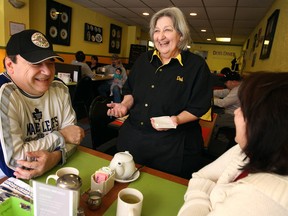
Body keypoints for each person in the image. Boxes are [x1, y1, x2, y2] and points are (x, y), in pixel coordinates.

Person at [107, 7, 212, 179]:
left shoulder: (196, 66)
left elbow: (199, 106)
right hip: (133, 142)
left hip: (172, 148)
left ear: (181, 34)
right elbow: (130, 90)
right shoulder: (143, 60)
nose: (160, 36)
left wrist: (176, 120)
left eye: (167, 30)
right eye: (156, 31)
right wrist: (124, 105)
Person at [178, 72, 288, 216]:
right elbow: (201, 177)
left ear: (266, 123)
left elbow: (201, 182)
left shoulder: (260, 197)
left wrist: (199, 197)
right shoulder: (247, 149)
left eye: (244, 108)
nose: (237, 111)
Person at [0, 29, 85, 180]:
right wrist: (62, 136)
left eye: (50, 62)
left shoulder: (59, 88)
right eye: (36, 63)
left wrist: (55, 158)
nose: (47, 72)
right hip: (12, 182)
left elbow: (75, 137)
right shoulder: (4, 94)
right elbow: (13, 163)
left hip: (56, 172)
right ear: (10, 65)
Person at [212, 71, 242, 136]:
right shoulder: (237, 87)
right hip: (231, 113)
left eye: (226, 82)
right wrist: (210, 92)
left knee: (212, 122)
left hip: (233, 116)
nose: (225, 84)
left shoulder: (238, 91)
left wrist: (209, 100)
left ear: (234, 82)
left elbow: (223, 103)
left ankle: (209, 142)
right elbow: (224, 92)